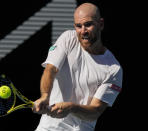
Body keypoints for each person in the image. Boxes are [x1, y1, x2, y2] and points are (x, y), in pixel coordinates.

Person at [33, 2, 123, 131]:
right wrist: (45, 96)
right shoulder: (68, 38)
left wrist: (71, 107)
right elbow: (50, 69)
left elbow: (96, 111)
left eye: (88, 25)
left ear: (101, 24)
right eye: (78, 26)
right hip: (47, 127)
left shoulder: (114, 69)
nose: (83, 31)